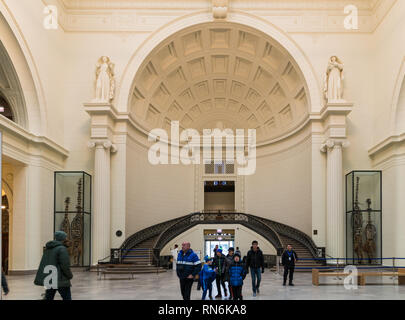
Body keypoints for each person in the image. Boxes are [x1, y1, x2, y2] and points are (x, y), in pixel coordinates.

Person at [34, 231, 73, 300]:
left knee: (48, 297)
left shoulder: (48, 248)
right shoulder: (62, 249)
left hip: (49, 278)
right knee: (67, 298)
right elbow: (65, 266)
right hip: (60, 279)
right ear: (62, 238)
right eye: (65, 237)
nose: (67, 238)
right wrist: (69, 275)